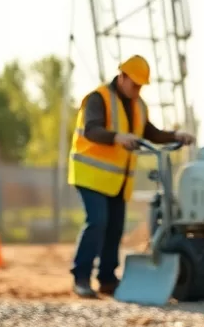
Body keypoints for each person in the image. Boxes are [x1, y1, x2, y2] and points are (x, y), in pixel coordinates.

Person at [68, 55, 195, 299]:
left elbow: (150, 133)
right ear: (122, 76)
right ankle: (81, 277)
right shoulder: (98, 98)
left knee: (115, 227)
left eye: (140, 86)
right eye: (134, 84)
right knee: (97, 222)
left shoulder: (139, 105)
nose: (137, 90)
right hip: (90, 175)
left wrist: (175, 136)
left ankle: (107, 279)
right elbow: (91, 129)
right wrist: (117, 137)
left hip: (118, 180)